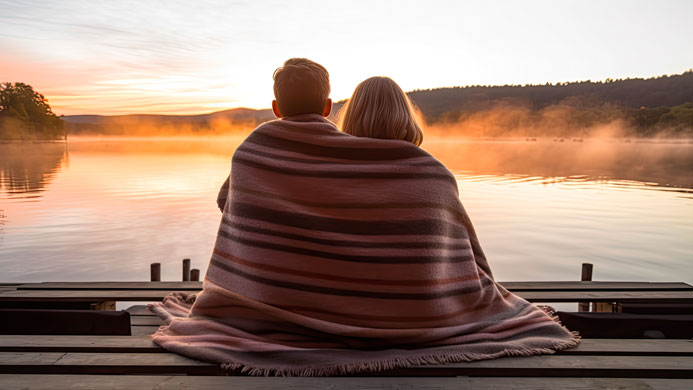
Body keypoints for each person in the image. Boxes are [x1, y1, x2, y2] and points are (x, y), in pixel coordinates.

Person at [150, 60, 580, 376]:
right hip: (418, 316)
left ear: (277, 107)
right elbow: (468, 261)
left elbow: (232, 206)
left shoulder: (262, 149)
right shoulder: (432, 173)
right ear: (327, 104)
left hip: (287, 309)